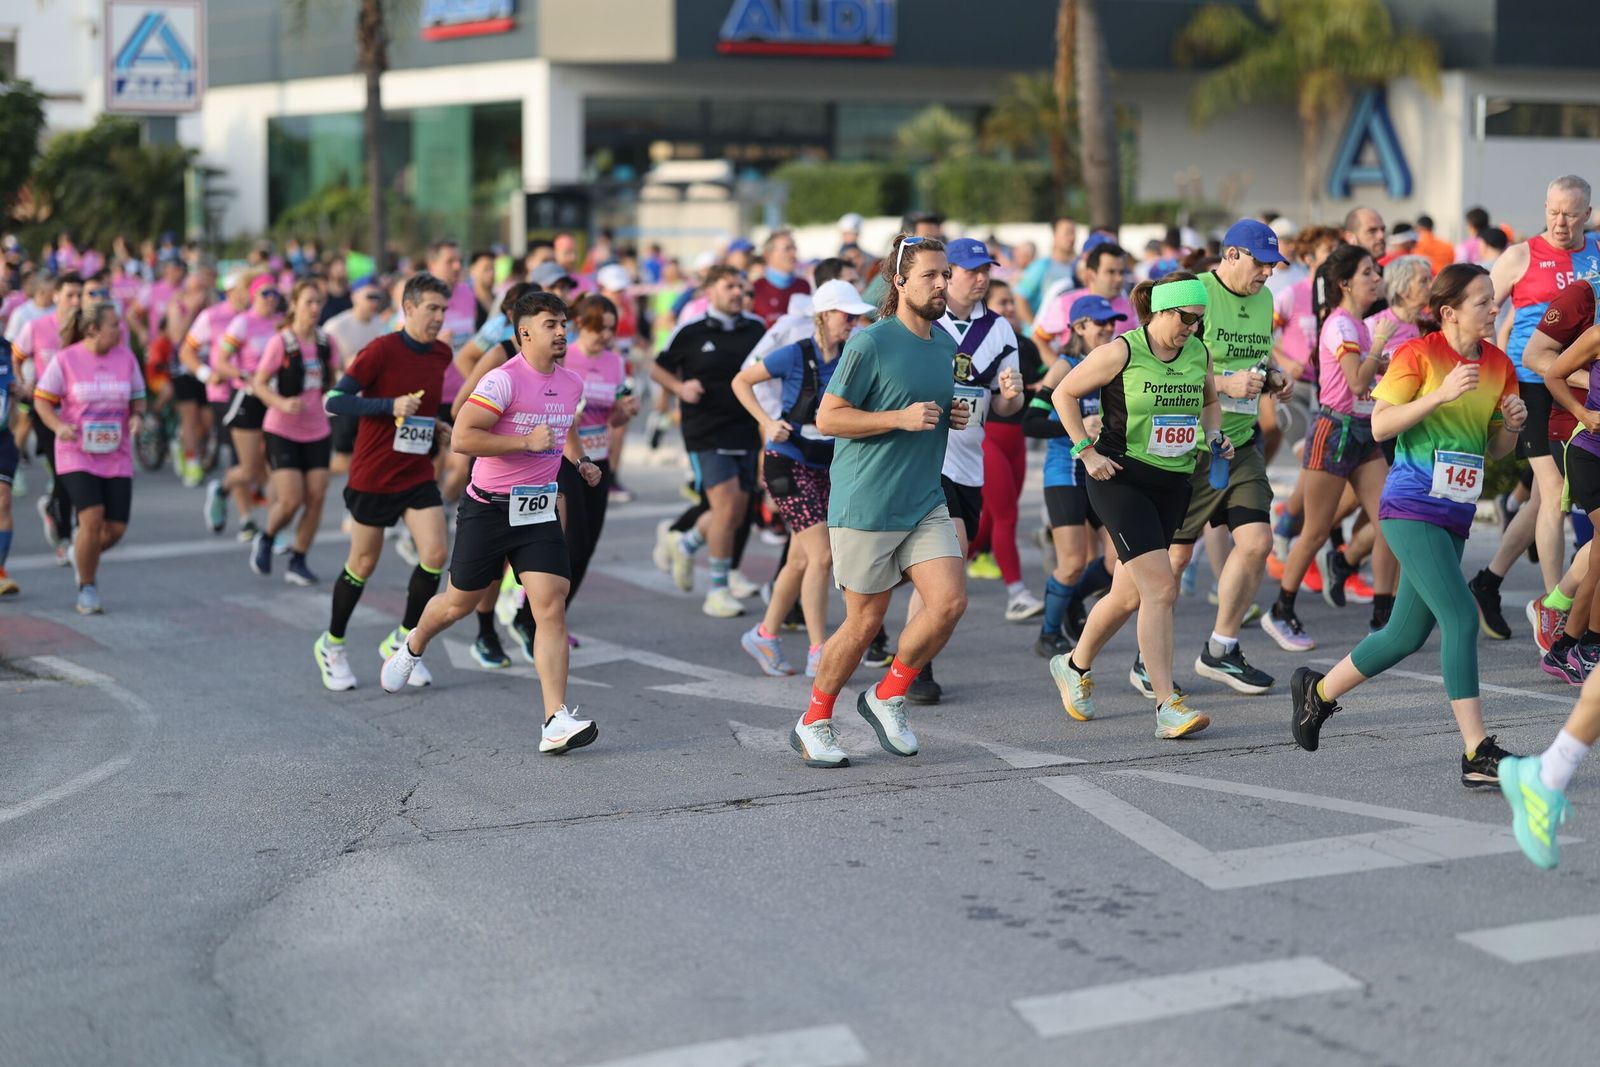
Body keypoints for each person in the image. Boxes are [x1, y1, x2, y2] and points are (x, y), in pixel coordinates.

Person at [1290, 264, 1527, 789]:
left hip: (1456, 511)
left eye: (1495, 299)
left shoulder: (1499, 365)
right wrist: (1439, 395)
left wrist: (1511, 426)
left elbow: (1494, 449)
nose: (1495, 308)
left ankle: (1318, 693)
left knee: (1404, 634)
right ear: (1449, 312)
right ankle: (1475, 752)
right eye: (1484, 301)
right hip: (1411, 505)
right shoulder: (1417, 355)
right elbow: (1379, 424)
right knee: (1463, 617)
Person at [379, 291, 602, 754]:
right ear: (523, 332)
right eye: (549, 324)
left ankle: (554, 719)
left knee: (550, 607)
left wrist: (580, 462)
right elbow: (462, 436)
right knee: (458, 604)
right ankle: (412, 643)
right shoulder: (502, 381)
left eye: (564, 323)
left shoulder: (572, 383)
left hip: (537, 509)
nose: (562, 332)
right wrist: (524, 442)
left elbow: (563, 427)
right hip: (488, 508)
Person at [788, 234, 970, 768]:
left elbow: (927, 407)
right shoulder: (870, 343)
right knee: (865, 623)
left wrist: (949, 415)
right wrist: (899, 418)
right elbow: (828, 418)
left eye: (945, 275)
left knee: (950, 602)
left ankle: (888, 694)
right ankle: (814, 720)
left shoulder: (945, 345)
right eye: (930, 276)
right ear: (900, 282)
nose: (942, 284)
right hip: (866, 503)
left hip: (924, 499)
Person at [1046, 272, 1222, 740]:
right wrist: (1085, 450)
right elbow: (1063, 393)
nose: (1192, 328)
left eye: (1199, 321)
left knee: (1127, 595)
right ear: (1162, 311)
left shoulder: (1197, 352)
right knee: (1161, 591)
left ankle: (1073, 664)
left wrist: (1214, 432)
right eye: (1186, 318)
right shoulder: (1122, 350)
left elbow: (1209, 402)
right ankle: (1167, 704)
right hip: (1119, 478)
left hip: (1173, 484)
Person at [1470, 176, 1600, 638]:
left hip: (1581, 383)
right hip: (1531, 383)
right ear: (1544, 208)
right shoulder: (1521, 256)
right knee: (1552, 492)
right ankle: (1553, 608)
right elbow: (1479, 309)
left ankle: (1489, 580)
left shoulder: (1596, 254)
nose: (1560, 222)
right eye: (1553, 212)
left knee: (1547, 496)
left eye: (1570, 213)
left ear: (1588, 214)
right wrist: (1485, 367)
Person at [1168, 220, 1294, 697]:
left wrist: (1275, 375)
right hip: (1186, 447)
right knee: (1174, 562)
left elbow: (1256, 359)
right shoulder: (1192, 292)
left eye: (1273, 265)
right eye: (1260, 263)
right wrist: (1223, 384)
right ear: (1233, 255)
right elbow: (1165, 362)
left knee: (1258, 542)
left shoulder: (1264, 302)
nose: (1267, 273)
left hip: (1237, 443)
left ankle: (1221, 648)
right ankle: (1146, 658)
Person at [312, 273, 454, 692]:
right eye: (431, 308)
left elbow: (427, 404)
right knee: (363, 564)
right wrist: (388, 405)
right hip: (374, 473)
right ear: (408, 309)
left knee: (434, 554)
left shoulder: (442, 354)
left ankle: (404, 637)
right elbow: (335, 401)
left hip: (415, 472)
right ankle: (332, 643)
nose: (438, 318)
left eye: (443, 310)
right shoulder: (380, 350)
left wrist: (438, 424)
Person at [898, 237, 1025, 704]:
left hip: (971, 466)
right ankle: (914, 667)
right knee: (944, 571)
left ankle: (909, 652)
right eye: (970, 270)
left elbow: (1009, 409)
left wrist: (1012, 393)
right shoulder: (923, 322)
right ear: (947, 274)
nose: (981, 277)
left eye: (985, 269)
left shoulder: (1002, 330)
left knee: (946, 570)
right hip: (928, 462)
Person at [732, 279, 872, 677]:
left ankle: (764, 633)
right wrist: (766, 422)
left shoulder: (852, 355)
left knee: (798, 560)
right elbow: (741, 381)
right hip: (786, 463)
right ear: (824, 316)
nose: (853, 322)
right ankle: (817, 650)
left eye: (856, 316)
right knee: (822, 556)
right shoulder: (795, 354)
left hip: (826, 466)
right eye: (846, 315)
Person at [1261, 244, 1397, 652]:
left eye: (1377, 272)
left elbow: (1369, 382)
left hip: (1363, 430)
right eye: (1368, 273)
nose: (1377, 279)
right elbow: (1356, 382)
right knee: (1316, 529)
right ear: (1344, 284)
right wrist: (1379, 351)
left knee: (1388, 519)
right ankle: (1281, 608)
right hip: (1334, 431)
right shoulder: (1340, 325)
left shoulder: (1362, 325)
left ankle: (1383, 615)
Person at [651, 265, 767, 618]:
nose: (737, 292)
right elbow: (658, 368)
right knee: (726, 507)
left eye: (740, 285)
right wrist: (680, 388)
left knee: (735, 512)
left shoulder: (757, 329)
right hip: (705, 430)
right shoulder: (691, 330)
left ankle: (683, 541)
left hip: (746, 429)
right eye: (729, 285)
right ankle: (717, 591)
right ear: (710, 292)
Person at [31, 302, 146, 615]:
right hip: (76, 451)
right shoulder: (66, 359)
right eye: (113, 325)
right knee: (92, 518)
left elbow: (137, 398)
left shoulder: (126, 358)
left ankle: (80, 555)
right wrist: (57, 425)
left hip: (116, 453)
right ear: (93, 329)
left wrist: (137, 418)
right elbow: (42, 401)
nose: (120, 330)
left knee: (116, 529)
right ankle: (88, 586)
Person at [1023, 294, 1121, 656]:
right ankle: (1048, 634)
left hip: (1101, 471)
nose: (1109, 328)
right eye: (1101, 322)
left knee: (1116, 561)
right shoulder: (1064, 366)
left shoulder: (1114, 362)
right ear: (1079, 327)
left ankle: (1071, 603)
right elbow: (1030, 424)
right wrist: (1077, 429)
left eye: (1112, 322)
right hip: (1065, 472)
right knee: (1071, 563)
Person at [249, 280, 340, 585]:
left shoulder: (327, 343)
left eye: (319, 303)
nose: (315, 309)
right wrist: (280, 402)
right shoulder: (282, 343)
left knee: (316, 498)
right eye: (309, 302)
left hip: (317, 429)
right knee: (290, 499)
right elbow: (259, 383)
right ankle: (266, 537)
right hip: (282, 429)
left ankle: (298, 560)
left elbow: (336, 379)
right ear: (295, 306)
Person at [965, 278, 1049, 598]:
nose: (1011, 308)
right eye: (1003, 302)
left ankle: (954, 557)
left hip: (1019, 438)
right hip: (989, 437)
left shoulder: (1024, 345)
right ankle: (1017, 594)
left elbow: (1050, 374)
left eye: (1012, 302)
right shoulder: (979, 342)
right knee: (1006, 515)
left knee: (994, 514)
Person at [563, 294, 637, 598]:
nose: (607, 336)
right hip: (566, 459)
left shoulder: (615, 362)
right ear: (580, 324)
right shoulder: (564, 356)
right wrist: (569, 415)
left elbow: (615, 420)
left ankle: (558, 616)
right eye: (600, 328)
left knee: (588, 546)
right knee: (572, 542)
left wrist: (626, 410)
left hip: (600, 458)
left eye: (611, 329)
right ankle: (531, 615)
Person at [12, 271, 83, 560]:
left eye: (80, 295)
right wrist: (23, 382)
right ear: (56, 296)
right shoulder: (37, 326)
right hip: (44, 409)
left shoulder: (86, 330)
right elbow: (16, 356)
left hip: (77, 411)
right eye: (69, 295)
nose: (76, 301)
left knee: (77, 472)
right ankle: (65, 538)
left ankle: (71, 524)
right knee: (62, 472)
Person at [210, 274, 284, 543]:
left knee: (275, 468)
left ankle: (274, 531)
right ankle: (221, 488)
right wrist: (244, 375)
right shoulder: (243, 323)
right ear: (253, 295)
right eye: (265, 293)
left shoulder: (280, 323)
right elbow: (221, 361)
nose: (271, 299)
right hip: (247, 399)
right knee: (250, 469)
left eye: (275, 293)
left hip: (274, 398)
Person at [322, 275, 390, 476]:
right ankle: (317, 482)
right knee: (343, 459)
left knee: (370, 458)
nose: (374, 302)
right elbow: (325, 366)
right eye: (369, 296)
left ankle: (355, 503)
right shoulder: (335, 327)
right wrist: (348, 364)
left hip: (372, 401)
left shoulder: (382, 325)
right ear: (354, 297)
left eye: (377, 297)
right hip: (345, 399)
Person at [1032, 243, 1135, 356]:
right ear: (1091, 274)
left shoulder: (1131, 306)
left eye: (1121, 272)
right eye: (1111, 272)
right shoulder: (1065, 302)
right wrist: (1062, 368)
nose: (1119, 278)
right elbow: (1038, 339)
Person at [1015, 217, 1078, 325]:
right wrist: (1034, 328)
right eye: (1067, 233)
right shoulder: (1042, 266)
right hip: (1041, 337)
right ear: (1055, 235)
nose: (1071, 238)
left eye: (1073, 232)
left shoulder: (1076, 268)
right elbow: (1020, 298)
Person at [749, 230, 810, 328]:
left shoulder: (803, 285)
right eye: (787, 249)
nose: (793, 253)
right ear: (768, 255)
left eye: (794, 248)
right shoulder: (755, 288)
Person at [0, 333, 17, 595]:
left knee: (2, 501)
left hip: (2, 438)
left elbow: (11, 387)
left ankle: (0, 572)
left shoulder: (5, 347)